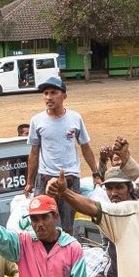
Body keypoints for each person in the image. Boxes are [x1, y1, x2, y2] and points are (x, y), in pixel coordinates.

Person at [23, 76, 98, 234]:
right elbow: (34, 153)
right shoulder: (37, 121)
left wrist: (95, 173)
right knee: (41, 221)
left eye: (53, 93)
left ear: (64, 95)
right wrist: (29, 182)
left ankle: (68, 255)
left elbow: (85, 147)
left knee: (69, 226)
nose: (48, 97)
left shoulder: (75, 118)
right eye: (46, 93)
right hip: (44, 179)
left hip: (70, 179)